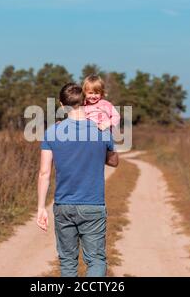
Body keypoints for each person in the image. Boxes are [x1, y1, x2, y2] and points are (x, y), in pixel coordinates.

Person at [36, 83, 118, 277]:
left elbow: (44, 173)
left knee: (67, 261)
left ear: (61, 105)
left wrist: (41, 207)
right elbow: (114, 162)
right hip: (93, 204)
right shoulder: (102, 130)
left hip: (63, 205)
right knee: (96, 260)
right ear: (85, 101)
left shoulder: (52, 132)